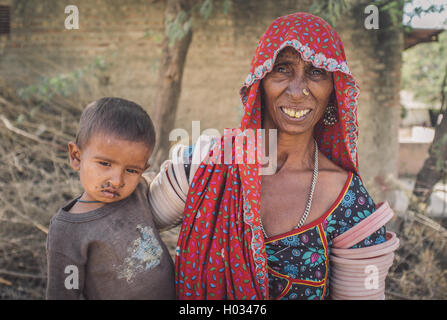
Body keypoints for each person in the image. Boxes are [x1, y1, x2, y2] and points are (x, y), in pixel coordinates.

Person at [46, 97, 175, 299]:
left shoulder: (139, 191)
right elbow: (62, 293)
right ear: (76, 156)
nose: (117, 180)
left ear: (143, 170)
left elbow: (171, 183)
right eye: (105, 164)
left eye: (132, 170)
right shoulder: (68, 231)